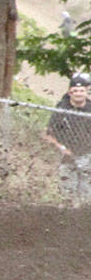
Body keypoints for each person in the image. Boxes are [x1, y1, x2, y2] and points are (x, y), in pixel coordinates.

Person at [44, 72, 91, 205]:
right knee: (67, 193)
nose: (78, 93)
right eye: (75, 91)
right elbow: (48, 133)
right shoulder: (62, 108)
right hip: (67, 156)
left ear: (86, 92)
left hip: (87, 155)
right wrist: (62, 148)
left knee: (86, 193)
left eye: (82, 90)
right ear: (70, 92)